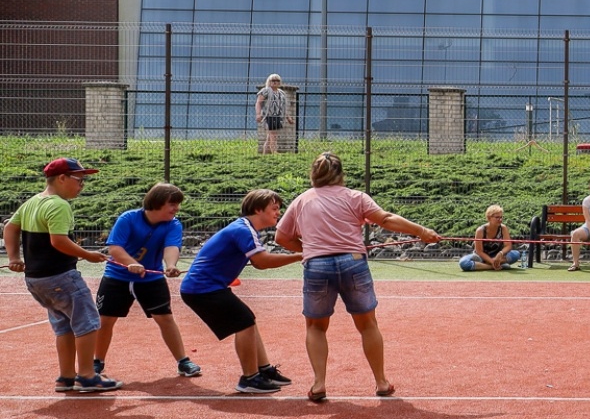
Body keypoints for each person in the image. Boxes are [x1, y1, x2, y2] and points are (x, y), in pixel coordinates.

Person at [274, 152, 442, 403]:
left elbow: (282, 238)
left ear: (313, 175)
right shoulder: (355, 197)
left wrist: (310, 249)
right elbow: (385, 219)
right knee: (367, 324)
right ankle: (381, 382)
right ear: (341, 175)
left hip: (317, 266)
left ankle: (319, 383)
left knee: (316, 326)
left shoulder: (302, 201)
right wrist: (422, 231)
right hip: (353, 263)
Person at [3, 158, 120, 394]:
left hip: (36, 281)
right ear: (62, 178)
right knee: (88, 322)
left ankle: (66, 376)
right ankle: (87, 376)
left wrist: (14, 258)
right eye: (79, 180)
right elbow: (59, 241)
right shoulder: (58, 205)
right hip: (60, 276)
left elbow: (10, 227)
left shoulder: (33, 202)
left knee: (64, 326)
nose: (82, 185)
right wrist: (87, 254)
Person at [179, 190, 304, 394]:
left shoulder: (246, 229)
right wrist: (301, 255)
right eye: (274, 209)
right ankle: (249, 378)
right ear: (257, 209)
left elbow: (259, 263)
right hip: (202, 289)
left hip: (207, 287)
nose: (278, 213)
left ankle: (263, 371)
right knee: (244, 321)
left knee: (247, 320)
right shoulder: (243, 229)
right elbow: (262, 261)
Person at [93, 182, 203, 381]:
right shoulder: (128, 218)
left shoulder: (173, 224)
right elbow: (115, 249)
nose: (176, 208)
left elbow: (171, 247)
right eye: (172, 203)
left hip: (151, 279)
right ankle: (96, 363)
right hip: (117, 276)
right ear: (158, 202)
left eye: (178, 204)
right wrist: (131, 263)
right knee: (105, 320)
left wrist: (170, 265)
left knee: (166, 319)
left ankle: (183, 361)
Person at [461, 205, 523, 271]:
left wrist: (500, 254)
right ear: (489, 218)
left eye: (501, 217)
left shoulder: (503, 228)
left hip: (497, 257)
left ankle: (486, 265)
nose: (500, 220)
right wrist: (492, 262)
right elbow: (479, 251)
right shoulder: (480, 230)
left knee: (516, 254)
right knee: (464, 263)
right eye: (497, 217)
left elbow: (508, 246)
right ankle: (492, 266)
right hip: (481, 258)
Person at [255, 73, 289, 154]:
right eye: (273, 80)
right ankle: (274, 153)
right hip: (269, 116)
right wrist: (258, 114)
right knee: (273, 135)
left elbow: (283, 107)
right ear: (269, 81)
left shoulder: (281, 93)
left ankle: (264, 154)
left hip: (278, 116)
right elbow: (258, 103)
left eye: (277, 80)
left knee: (269, 137)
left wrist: (288, 117)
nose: (275, 82)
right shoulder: (265, 91)